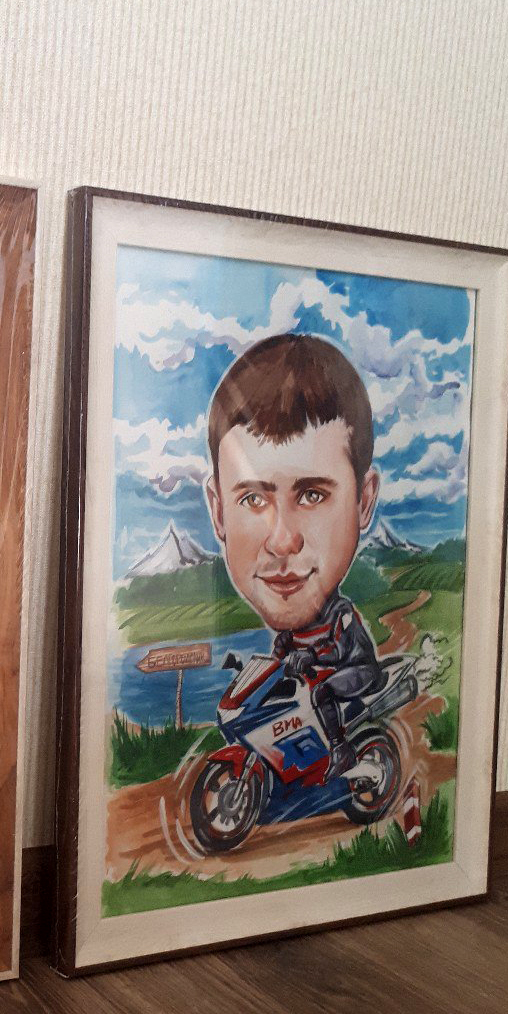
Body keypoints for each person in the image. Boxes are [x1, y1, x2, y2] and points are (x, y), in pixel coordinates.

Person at [203, 333, 385, 779]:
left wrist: (312, 660)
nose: (282, 541)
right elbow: (285, 650)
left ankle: (341, 752)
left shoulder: (340, 616)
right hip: (318, 675)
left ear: (363, 502)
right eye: (252, 499)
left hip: (352, 674)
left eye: (312, 495)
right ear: (218, 512)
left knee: (319, 694)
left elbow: (338, 648)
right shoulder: (291, 631)